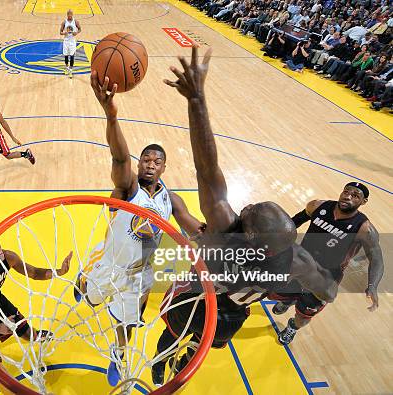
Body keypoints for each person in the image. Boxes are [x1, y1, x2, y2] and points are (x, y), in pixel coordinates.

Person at [150, 46, 337, 384]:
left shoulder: (226, 228)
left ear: (250, 234)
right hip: (229, 319)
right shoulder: (296, 260)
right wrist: (309, 294)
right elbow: (327, 290)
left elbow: (206, 169)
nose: (247, 207)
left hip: (193, 297)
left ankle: (160, 365)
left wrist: (196, 101)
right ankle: (181, 368)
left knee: (174, 332)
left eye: (250, 212)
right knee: (200, 345)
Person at [74, 72, 205, 387]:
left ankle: (117, 355)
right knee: (90, 297)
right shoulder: (127, 187)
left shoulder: (170, 199)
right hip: (109, 262)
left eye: (155, 161)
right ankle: (82, 281)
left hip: (138, 272)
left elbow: (195, 227)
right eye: (145, 158)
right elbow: (119, 155)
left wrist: (218, 231)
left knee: (126, 324)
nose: (149, 163)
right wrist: (111, 114)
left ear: (163, 167)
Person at [272, 183, 384, 345]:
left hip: (326, 277)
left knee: (304, 316)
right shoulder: (317, 206)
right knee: (282, 292)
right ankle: (287, 301)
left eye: (355, 196)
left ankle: (292, 327)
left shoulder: (364, 229)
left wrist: (372, 285)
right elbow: (293, 223)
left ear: (363, 202)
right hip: (299, 265)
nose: (348, 196)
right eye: (346, 192)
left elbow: (377, 258)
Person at [0, 233, 72, 395]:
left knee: (24, 327)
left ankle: (34, 336)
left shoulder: (8, 257)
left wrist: (59, 272)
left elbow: (34, 273)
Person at [59, 9, 81, 78]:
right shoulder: (64, 22)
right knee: (66, 55)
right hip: (66, 40)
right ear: (67, 15)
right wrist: (63, 33)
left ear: (72, 14)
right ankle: (67, 68)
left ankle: (71, 70)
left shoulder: (76, 22)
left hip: (72, 41)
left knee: (72, 55)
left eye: (71, 14)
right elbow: (60, 32)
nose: (69, 16)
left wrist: (76, 33)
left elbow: (80, 29)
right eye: (68, 14)